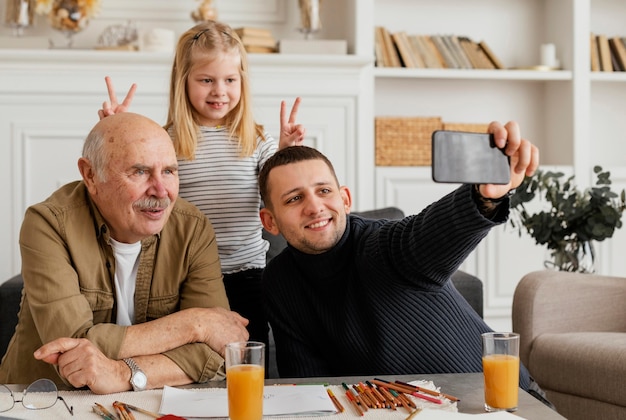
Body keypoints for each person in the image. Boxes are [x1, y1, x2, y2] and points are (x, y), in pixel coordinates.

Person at [258, 122, 548, 397]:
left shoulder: (379, 245)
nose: (314, 207)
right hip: (403, 411)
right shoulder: (279, 281)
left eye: (324, 191)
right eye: (294, 199)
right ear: (270, 221)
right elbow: (309, 384)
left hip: (505, 402)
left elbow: (425, 237)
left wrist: (484, 197)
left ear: (345, 200)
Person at [0, 112, 249, 394]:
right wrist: (196, 324)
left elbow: (218, 350)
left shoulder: (193, 228)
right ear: (91, 175)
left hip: (152, 402)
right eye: (140, 171)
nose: (161, 190)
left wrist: (122, 374)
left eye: (169, 171)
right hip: (43, 402)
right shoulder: (47, 223)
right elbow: (70, 346)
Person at [98, 20, 305, 352]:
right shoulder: (166, 141)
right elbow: (132, 185)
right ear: (184, 82)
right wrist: (116, 131)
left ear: (242, 82)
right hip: (185, 274)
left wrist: (285, 151)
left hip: (247, 271)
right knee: (192, 358)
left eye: (230, 80)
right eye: (206, 80)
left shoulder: (256, 140)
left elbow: (278, 189)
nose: (219, 91)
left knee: (248, 357)